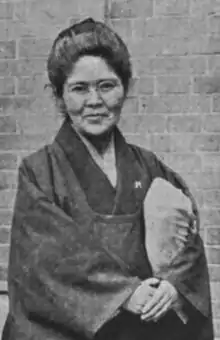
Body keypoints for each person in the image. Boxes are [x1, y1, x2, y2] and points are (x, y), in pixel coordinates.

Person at [2, 18, 213, 340]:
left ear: (125, 89)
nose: (94, 102)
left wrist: (173, 285)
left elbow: (189, 244)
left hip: (145, 329)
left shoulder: (150, 167)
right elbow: (47, 264)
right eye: (79, 89)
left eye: (106, 85)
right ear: (59, 96)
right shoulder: (39, 172)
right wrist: (125, 294)